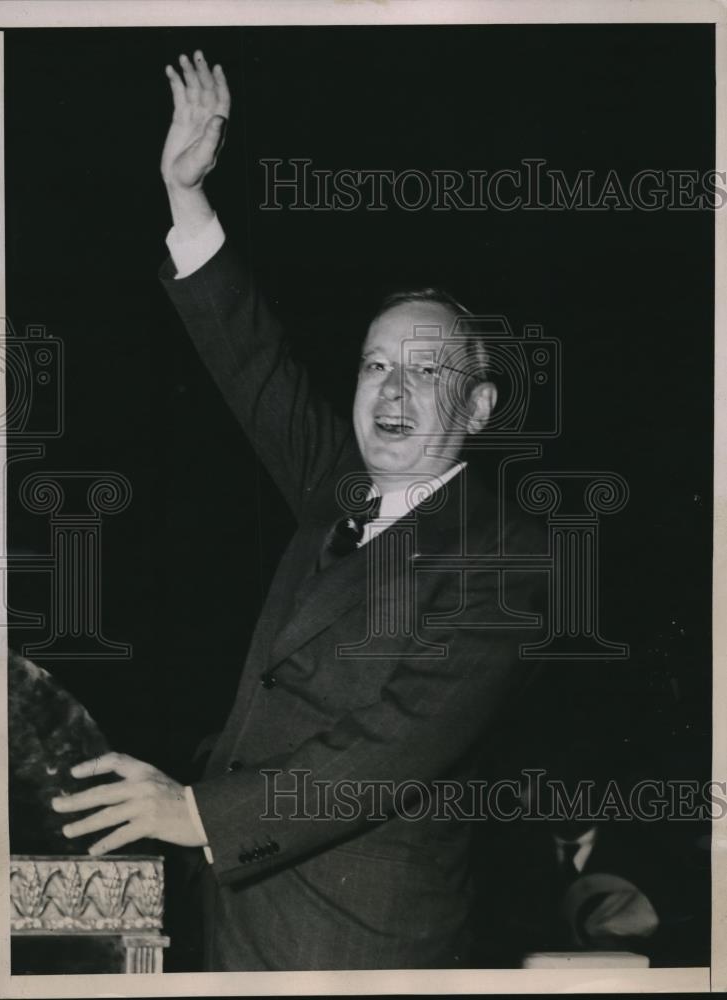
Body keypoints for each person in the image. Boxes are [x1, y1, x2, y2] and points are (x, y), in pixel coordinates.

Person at [52, 50, 546, 970]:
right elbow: (253, 363)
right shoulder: (339, 487)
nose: (391, 389)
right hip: (237, 921)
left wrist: (191, 809)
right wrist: (185, 195)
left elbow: (379, 755)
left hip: (359, 949)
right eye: (373, 365)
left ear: (478, 409)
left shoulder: (508, 558)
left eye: (427, 370)